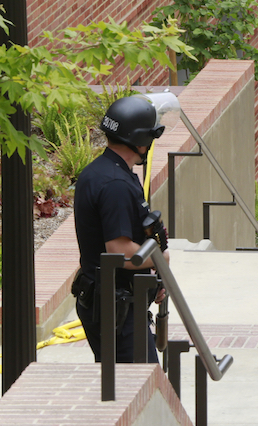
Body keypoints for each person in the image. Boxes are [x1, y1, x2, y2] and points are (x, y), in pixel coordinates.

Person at [74, 95, 169, 364]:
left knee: (121, 381)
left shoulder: (99, 172)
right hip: (117, 309)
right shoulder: (116, 184)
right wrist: (160, 258)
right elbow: (120, 251)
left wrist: (152, 279)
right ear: (140, 140)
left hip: (109, 299)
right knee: (139, 382)